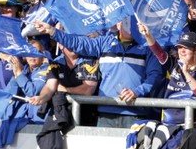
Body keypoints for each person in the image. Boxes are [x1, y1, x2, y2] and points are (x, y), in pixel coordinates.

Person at [34, 20, 163, 128]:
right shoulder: (104, 43)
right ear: (118, 24)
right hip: (106, 112)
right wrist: (53, 31)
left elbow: (155, 76)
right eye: (127, 22)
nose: (131, 26)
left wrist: (137, 92)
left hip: (135, 113)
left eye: (134, 22)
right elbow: (78, 43)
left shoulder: (148, 47)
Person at [140, 25, 196, 126]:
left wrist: (186, 73)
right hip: (169, 122)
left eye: (186, 48)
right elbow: (158, 52)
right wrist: (148, 36)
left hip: (192, 124)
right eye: (179, 47)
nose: (182, 51)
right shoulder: (174, 63)